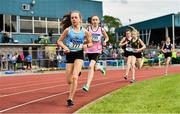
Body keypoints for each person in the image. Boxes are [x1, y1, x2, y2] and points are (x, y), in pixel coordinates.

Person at [57, 11, 92, 107]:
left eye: (76, 17)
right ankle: (77, 71)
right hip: (70, 55)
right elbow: (59, 41)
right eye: (72, 18)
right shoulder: (68, 30)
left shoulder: (85, 32)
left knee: (74, 77)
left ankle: (70, 99)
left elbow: (91, 43)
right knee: (69, 81)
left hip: (79, 54)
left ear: (80, 19)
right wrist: (65, 47)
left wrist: (86, 45)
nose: (74, 19)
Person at [82, 16, 109, 92]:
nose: (94, 21)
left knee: (90, 66)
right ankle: (100, 68)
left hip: (97, 50)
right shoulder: (88, 29)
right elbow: (84, 37)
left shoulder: (101, 29)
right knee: (94, 67)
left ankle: (87, 85)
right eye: (93, 20)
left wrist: (105, 41)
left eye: (96, 20)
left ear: (98, 21)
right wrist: (84, 41)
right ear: (91, 21)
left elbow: (107, 37)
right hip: (89, 50)